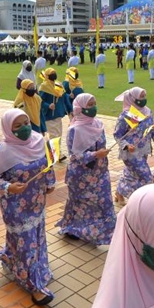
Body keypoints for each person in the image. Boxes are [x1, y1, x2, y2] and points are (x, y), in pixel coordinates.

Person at [0, 110, 57, 305]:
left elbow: (48, 165)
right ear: (8, 128)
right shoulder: (2, 151)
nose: (24, 127)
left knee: (37, 237)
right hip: (15, 208)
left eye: (26, 122)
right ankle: (34, 285)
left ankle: (12, 259)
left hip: (37, 202)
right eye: (17, 126)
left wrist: (50, 183)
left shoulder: (39, 141)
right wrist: (8, 187)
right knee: (27, 244)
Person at [56, 94, 116, 245]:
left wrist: (101, 153)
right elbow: (75, 155)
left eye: (94, 103)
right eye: (90, 105)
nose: (93, 107)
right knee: (80, 203)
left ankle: (106, 231)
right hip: (81, 175)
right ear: (79, 108)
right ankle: (73, 228)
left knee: (104, 200)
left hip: (100, 171)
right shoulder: (74, 129)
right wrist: (96, 154)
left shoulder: (98, 124)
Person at [113, 87, 154, 205]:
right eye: (140, 97)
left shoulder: (148, 112)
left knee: (130, 173)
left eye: (144, 96)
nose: (143, 99)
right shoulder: (126, 115)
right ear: (132, 98)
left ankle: (119, 192)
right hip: (130, 153)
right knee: (146, 176)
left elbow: (153, 130)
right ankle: (143, 202)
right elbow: (117, 134)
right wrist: (126, 145)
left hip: (144, 150)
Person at [39, 67, 71, 160]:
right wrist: (48, 105)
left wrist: (70, 109)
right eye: (51, 74)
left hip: (58, 114)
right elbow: (40, 101)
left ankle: (54, 152)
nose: (54, 75)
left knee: (58, 134)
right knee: (54, 135)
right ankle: (56, 154)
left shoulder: (58, 85)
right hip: (49, 116)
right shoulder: (44, 87)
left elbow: (64, 97)